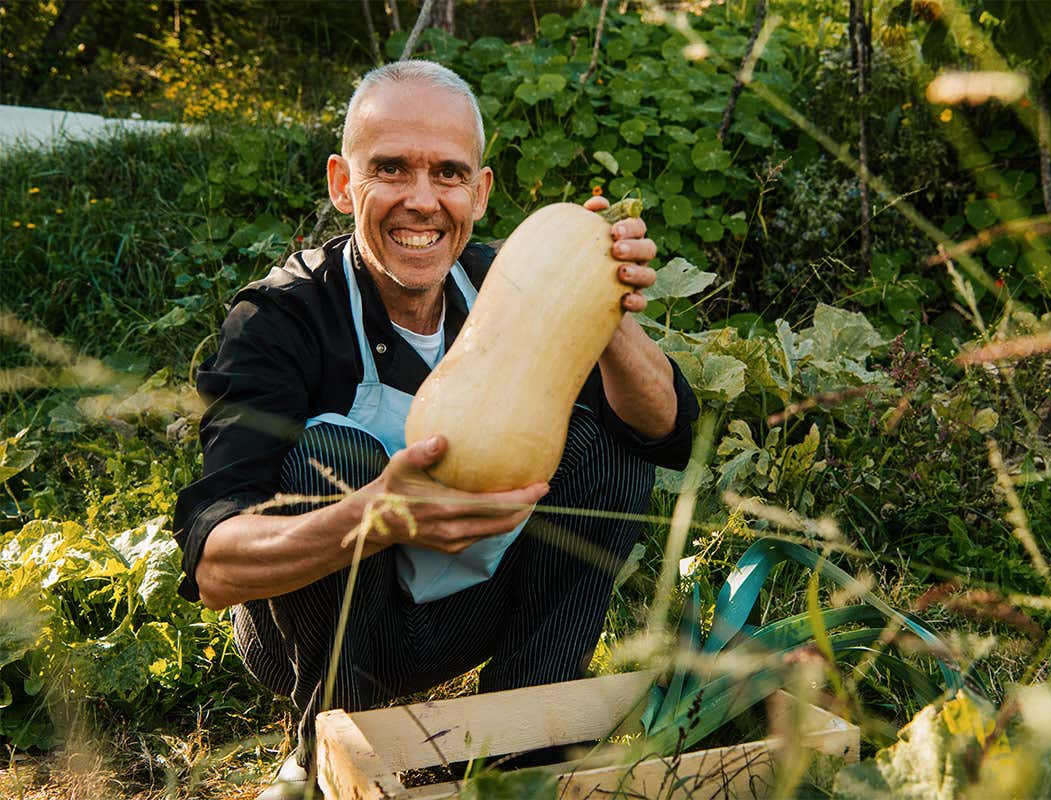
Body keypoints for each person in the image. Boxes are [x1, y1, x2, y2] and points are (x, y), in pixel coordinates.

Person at [171, 60, 699, 796]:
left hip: (467, 613)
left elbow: (667, 433)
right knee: (334, 455)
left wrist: (599, 301)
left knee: (611, 449)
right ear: (342, 183)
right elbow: (213, 563)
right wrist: (377, 517)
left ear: (479, 193)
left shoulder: (511, 282)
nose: (422, 201)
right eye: (390, 168)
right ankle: (324, 749)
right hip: (314, 630)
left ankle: (523, 749)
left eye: (448, 174)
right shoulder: (277, 319)